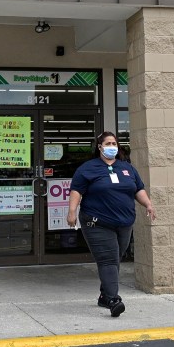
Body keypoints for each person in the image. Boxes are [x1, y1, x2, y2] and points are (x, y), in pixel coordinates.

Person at [67, 131, 155, 317]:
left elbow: (138, 188)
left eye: (114, 143)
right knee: (108, 259)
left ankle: (104, 295)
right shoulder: (88, 168)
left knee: (115, 259)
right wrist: (72, 211)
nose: (111, 146)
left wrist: (147, 204)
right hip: (97, 222)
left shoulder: (127, 168)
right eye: (107, 143)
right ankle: (113, 299)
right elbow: (76, 191)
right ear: (99, 147)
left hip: (124, 223)